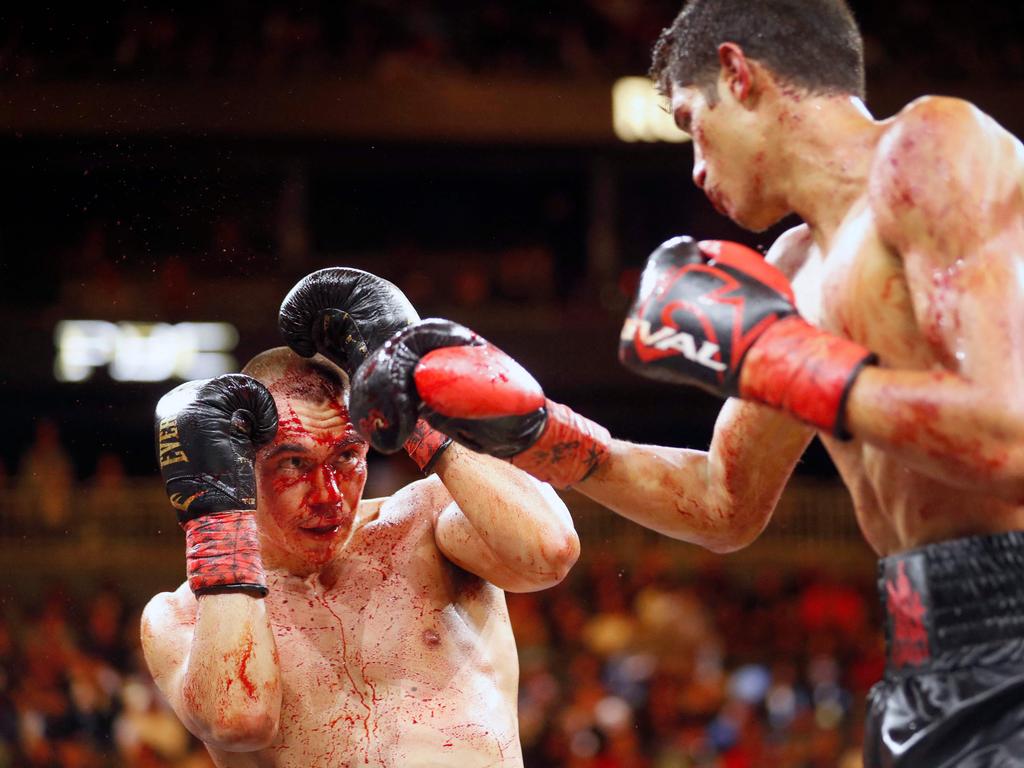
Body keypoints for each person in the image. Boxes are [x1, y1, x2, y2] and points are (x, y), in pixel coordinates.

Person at [341, 2, 1024, 765]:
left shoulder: (932, 147)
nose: (697, 169)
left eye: (694, 123)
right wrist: (546, 435)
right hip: (922, 646)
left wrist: (780, 361)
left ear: (740, 74)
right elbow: (722, 503)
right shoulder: (794, 274)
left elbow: (1013, 437)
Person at [140, 270, 580, 767]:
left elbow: (550, 550)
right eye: (293, 464)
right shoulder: (180, 617)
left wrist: (421, 407)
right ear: (240, 467)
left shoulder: (427, 522)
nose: (328, 495)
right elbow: (238, 720)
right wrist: (218, 525)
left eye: (347, 456)